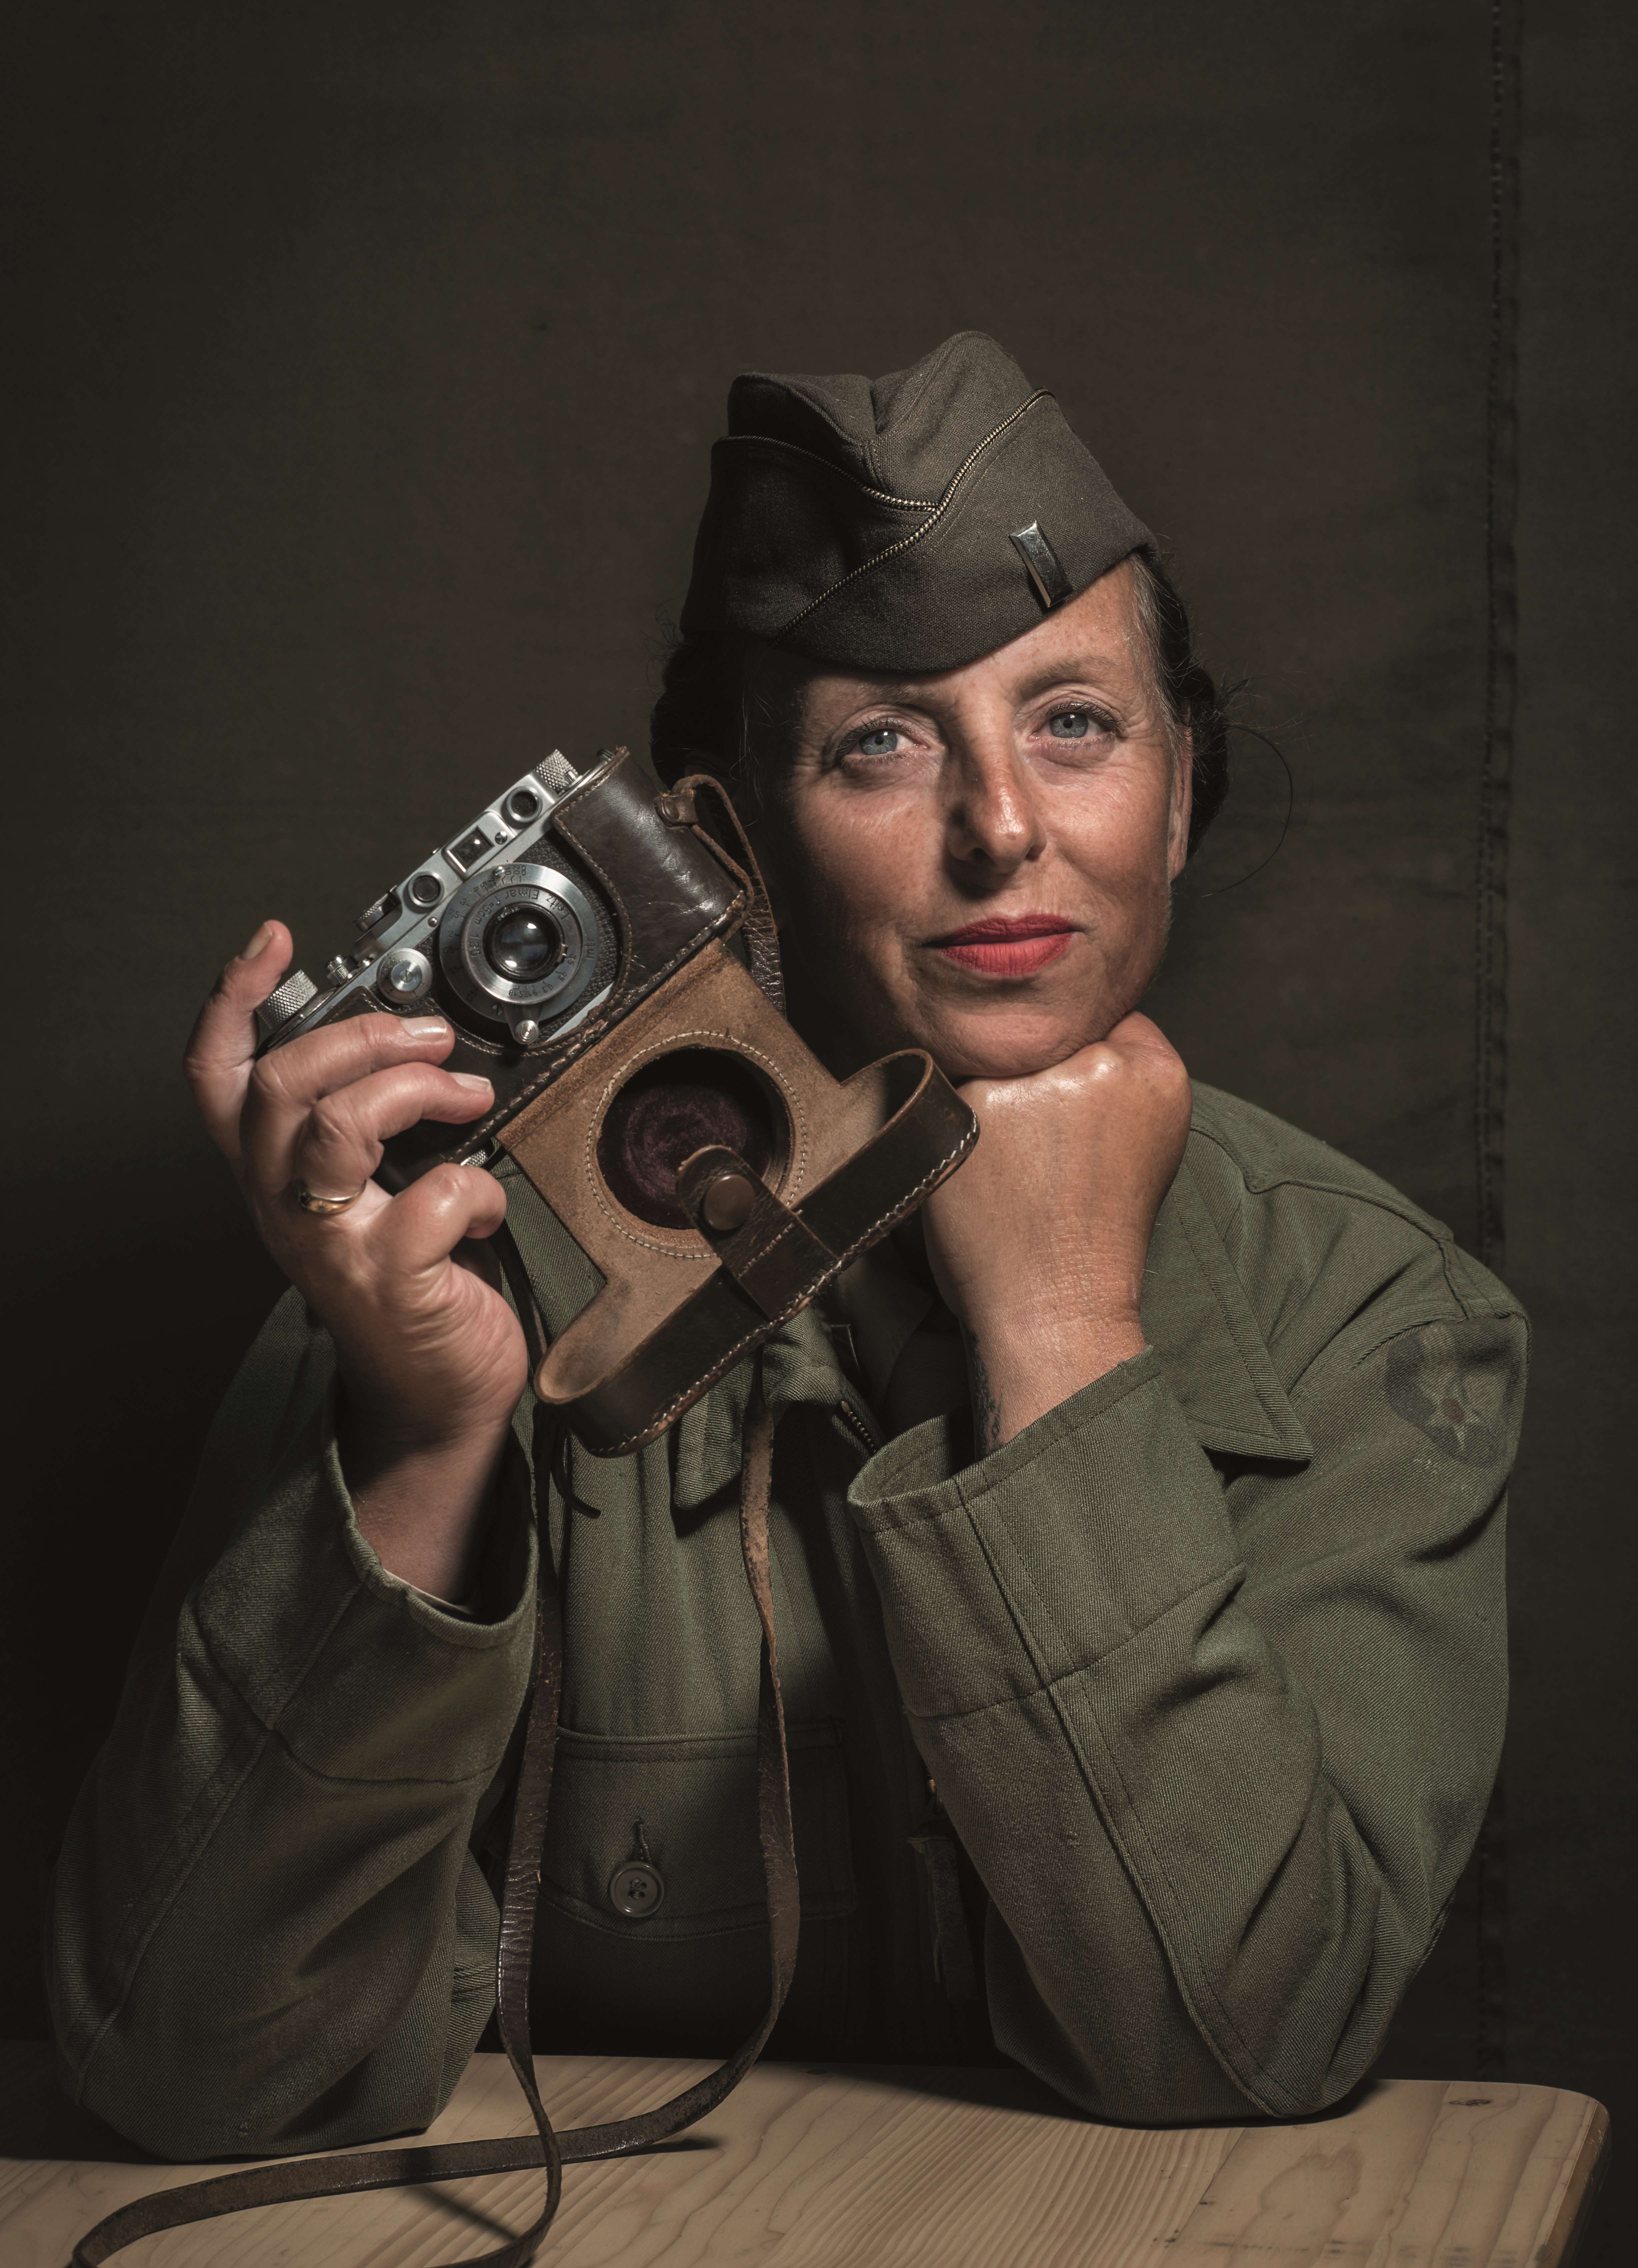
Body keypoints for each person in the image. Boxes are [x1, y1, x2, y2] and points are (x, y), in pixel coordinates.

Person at [47, 332, 1524, 2159]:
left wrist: (1064, 1325)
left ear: (1181, 791)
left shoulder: (1375, 1318)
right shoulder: (454, 1278)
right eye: (881, 745)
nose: (1002, 828)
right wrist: (424, 1443)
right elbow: (192, 2070)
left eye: (1075, 722)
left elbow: (1243, 2037)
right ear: (727, 842)